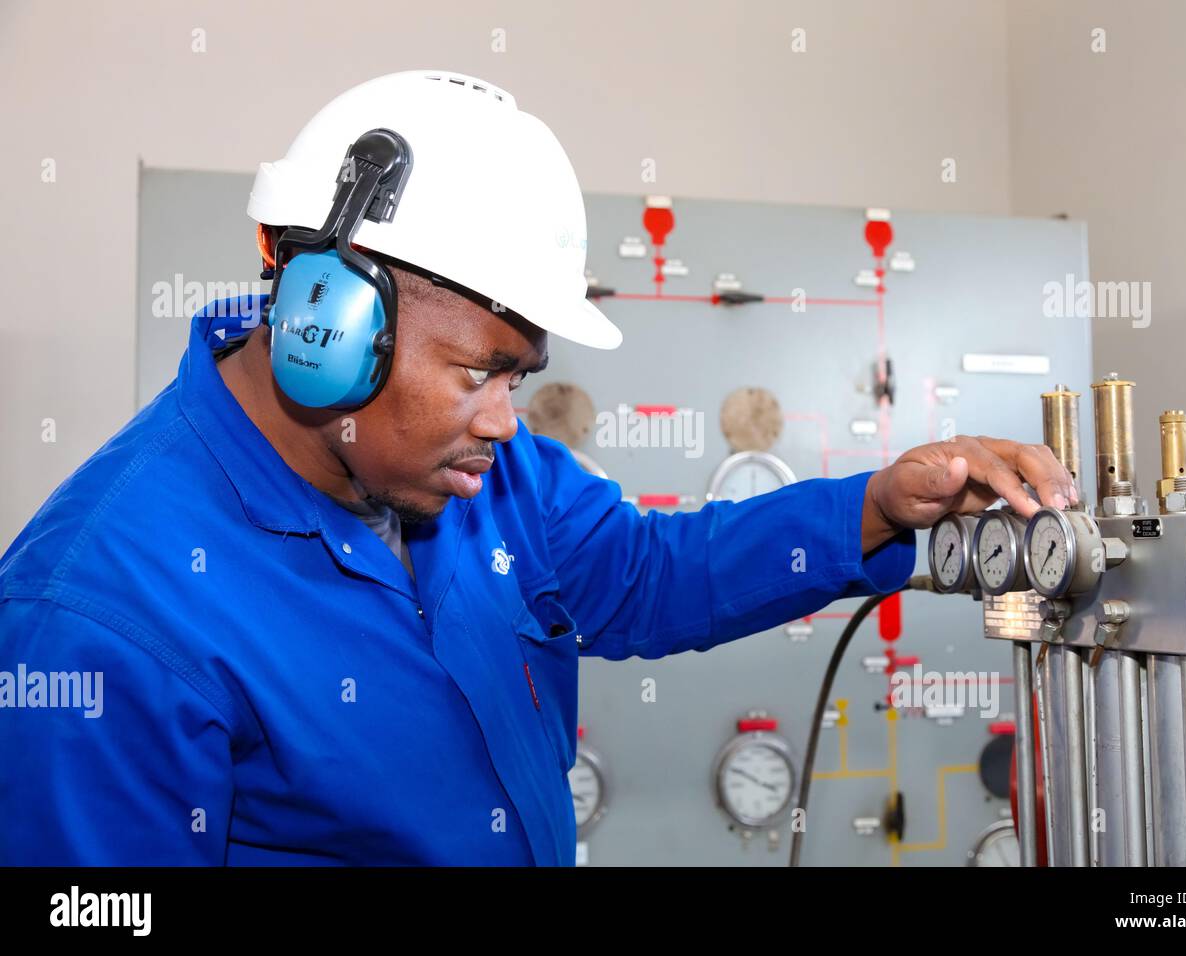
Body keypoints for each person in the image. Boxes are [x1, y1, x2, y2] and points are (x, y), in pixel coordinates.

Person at [0, 71, 1076, 865]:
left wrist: (877, 508)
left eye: (520, 375)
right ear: (324, 322)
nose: (507, 421)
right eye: (481, 371)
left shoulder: (483, 476)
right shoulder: (97, 616)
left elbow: (653, 573)